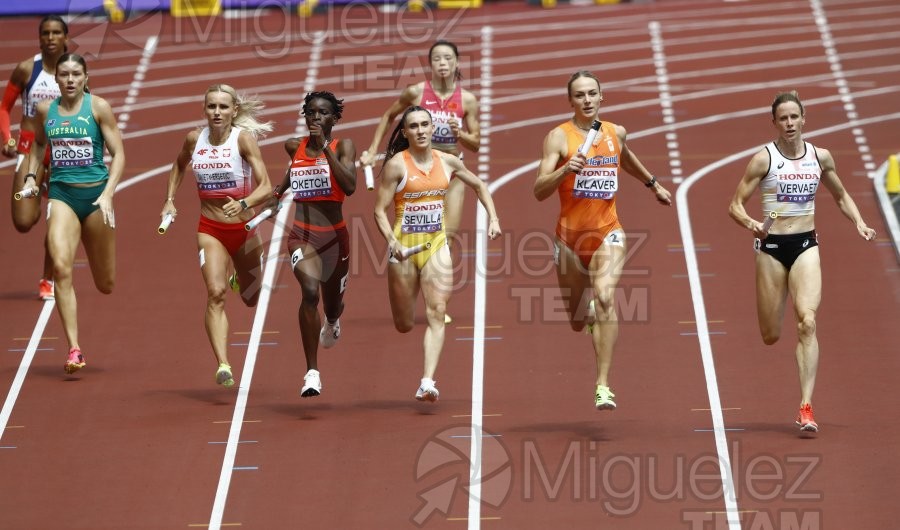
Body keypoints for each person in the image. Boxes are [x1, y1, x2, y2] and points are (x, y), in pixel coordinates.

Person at [728, 91, 876, 433]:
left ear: (804, 119)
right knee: (770, 334)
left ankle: (805, 407)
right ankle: (801, 398)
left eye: (795, 117)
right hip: (771, 248)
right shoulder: (763, 159)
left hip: (806, 244)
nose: (790, 123)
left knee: (807, 322)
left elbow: (840, 194)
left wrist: (859, 222)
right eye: (783, 118)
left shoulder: (820, 157)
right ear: (775, 122)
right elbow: (735, 204)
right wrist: (750, 223)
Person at [533, 71, 672, 411]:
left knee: (607, 296)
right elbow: (538, 191)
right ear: (571, 101)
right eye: (579, 95)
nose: (587, 100)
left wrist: (652, 184)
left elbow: (625, 157)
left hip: (608, 232)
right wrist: (565, 170)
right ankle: (589, 313)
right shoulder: (558, 138)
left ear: (601, 97)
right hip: (568, 240)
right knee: (578, 320)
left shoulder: (614, 132)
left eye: (592, 93)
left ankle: (603, 385)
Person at [373, 106, 500, 402]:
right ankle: (424, 374)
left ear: (433, 129)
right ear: (405, 133)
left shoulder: (449, 161)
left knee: (437, 312)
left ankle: (427, 381)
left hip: (435, 246)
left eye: (424, 125)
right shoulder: (396, 166)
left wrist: (493, 217)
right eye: (413, 126)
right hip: (403, 249)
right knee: (404, 324)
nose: (420, 130)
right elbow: (379, 210)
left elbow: (479, 185)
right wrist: (392, 241)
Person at [361, 40, 480, 324]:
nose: (442, 63)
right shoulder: (416, 93)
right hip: (415, 170)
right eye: (437, 58)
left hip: (449, 171)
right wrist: (371, 149)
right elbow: (389, 116)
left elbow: (476, 143)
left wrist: (459, 133)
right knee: (412, 227)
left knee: (446, 236)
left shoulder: (468, 100)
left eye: (448, 58)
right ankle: (411, 280)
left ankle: (436, 298)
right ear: (430, 64)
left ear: (457, 63)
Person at [162, 84, 273, 387]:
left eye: (224, 107)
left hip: (245, 228)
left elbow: (266, 186)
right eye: (212, 106)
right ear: (204, 109)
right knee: (215, 293)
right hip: (210, 229)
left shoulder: (243, 140)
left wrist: (245, 203)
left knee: (250, 298)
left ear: (234, 110)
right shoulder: (193, 140)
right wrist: (170, 198)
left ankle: (240, 273)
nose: (217, 112)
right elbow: (178, 166)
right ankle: (223, 363)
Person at [20, 53, 125, 374]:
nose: (68, 79)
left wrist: (108, 193)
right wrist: (30, 176)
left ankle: (78, 339)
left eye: (75, 74)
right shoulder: (44, 111)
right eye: (63, 74)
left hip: (96, 198)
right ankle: (74, 348)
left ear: (85, 77)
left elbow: (119, 154)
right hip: (62, 196)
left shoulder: (98, 108)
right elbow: (38, 146)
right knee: (62, 268)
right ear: (56, 79)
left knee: (105, 283)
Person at [268, 91, 357, 398]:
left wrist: (324, 151)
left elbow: (350, 186)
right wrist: (278, 193)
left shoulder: (343, 147)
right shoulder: (294, 146)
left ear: (334, 118)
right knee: (309, 292)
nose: (315, 118)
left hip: (335, 238)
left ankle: (332, 321)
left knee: (332, 304)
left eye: (322, 113)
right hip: (302, 234)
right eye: (310, 113)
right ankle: (312, 373)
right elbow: (295, 171)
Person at [2, 15, 70, 300]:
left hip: (62, 154)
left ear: (66, 37)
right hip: (31, 152)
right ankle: (38, 193)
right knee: (23, 221)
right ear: (39, 37)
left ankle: (47, 279)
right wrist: (7, 138)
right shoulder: (26, 69)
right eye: (46, 33)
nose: (51, 38)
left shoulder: (72, 72)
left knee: (57, 221)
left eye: (56, 33)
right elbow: (4, 107)